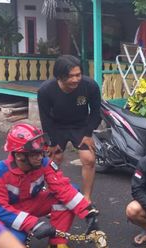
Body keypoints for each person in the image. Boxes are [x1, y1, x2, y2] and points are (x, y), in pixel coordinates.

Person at [0, 123, 100, 248]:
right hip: (6, 213)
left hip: (31, 204)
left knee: (69, 192)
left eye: (41, 152)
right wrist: (34, 224)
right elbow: (0, 209)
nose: (41, 157)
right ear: (19, 155)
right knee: (15, 243)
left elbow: (63, 188)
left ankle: (57, 244)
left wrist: (88, 212)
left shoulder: (43, 163)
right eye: (34, 154)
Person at [37, 54, 102, 202]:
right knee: (54, 160)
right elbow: (45, 118)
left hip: (80, 126)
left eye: (78, 75)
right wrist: (51, 143)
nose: (75, 79)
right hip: (56, 127)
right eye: (71, 76)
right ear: (59, 76)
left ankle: (86, 199)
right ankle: (50, 197)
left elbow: (96, 112)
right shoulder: (45, 90)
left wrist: (88, 133)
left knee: (89, 159)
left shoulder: (90, 86)